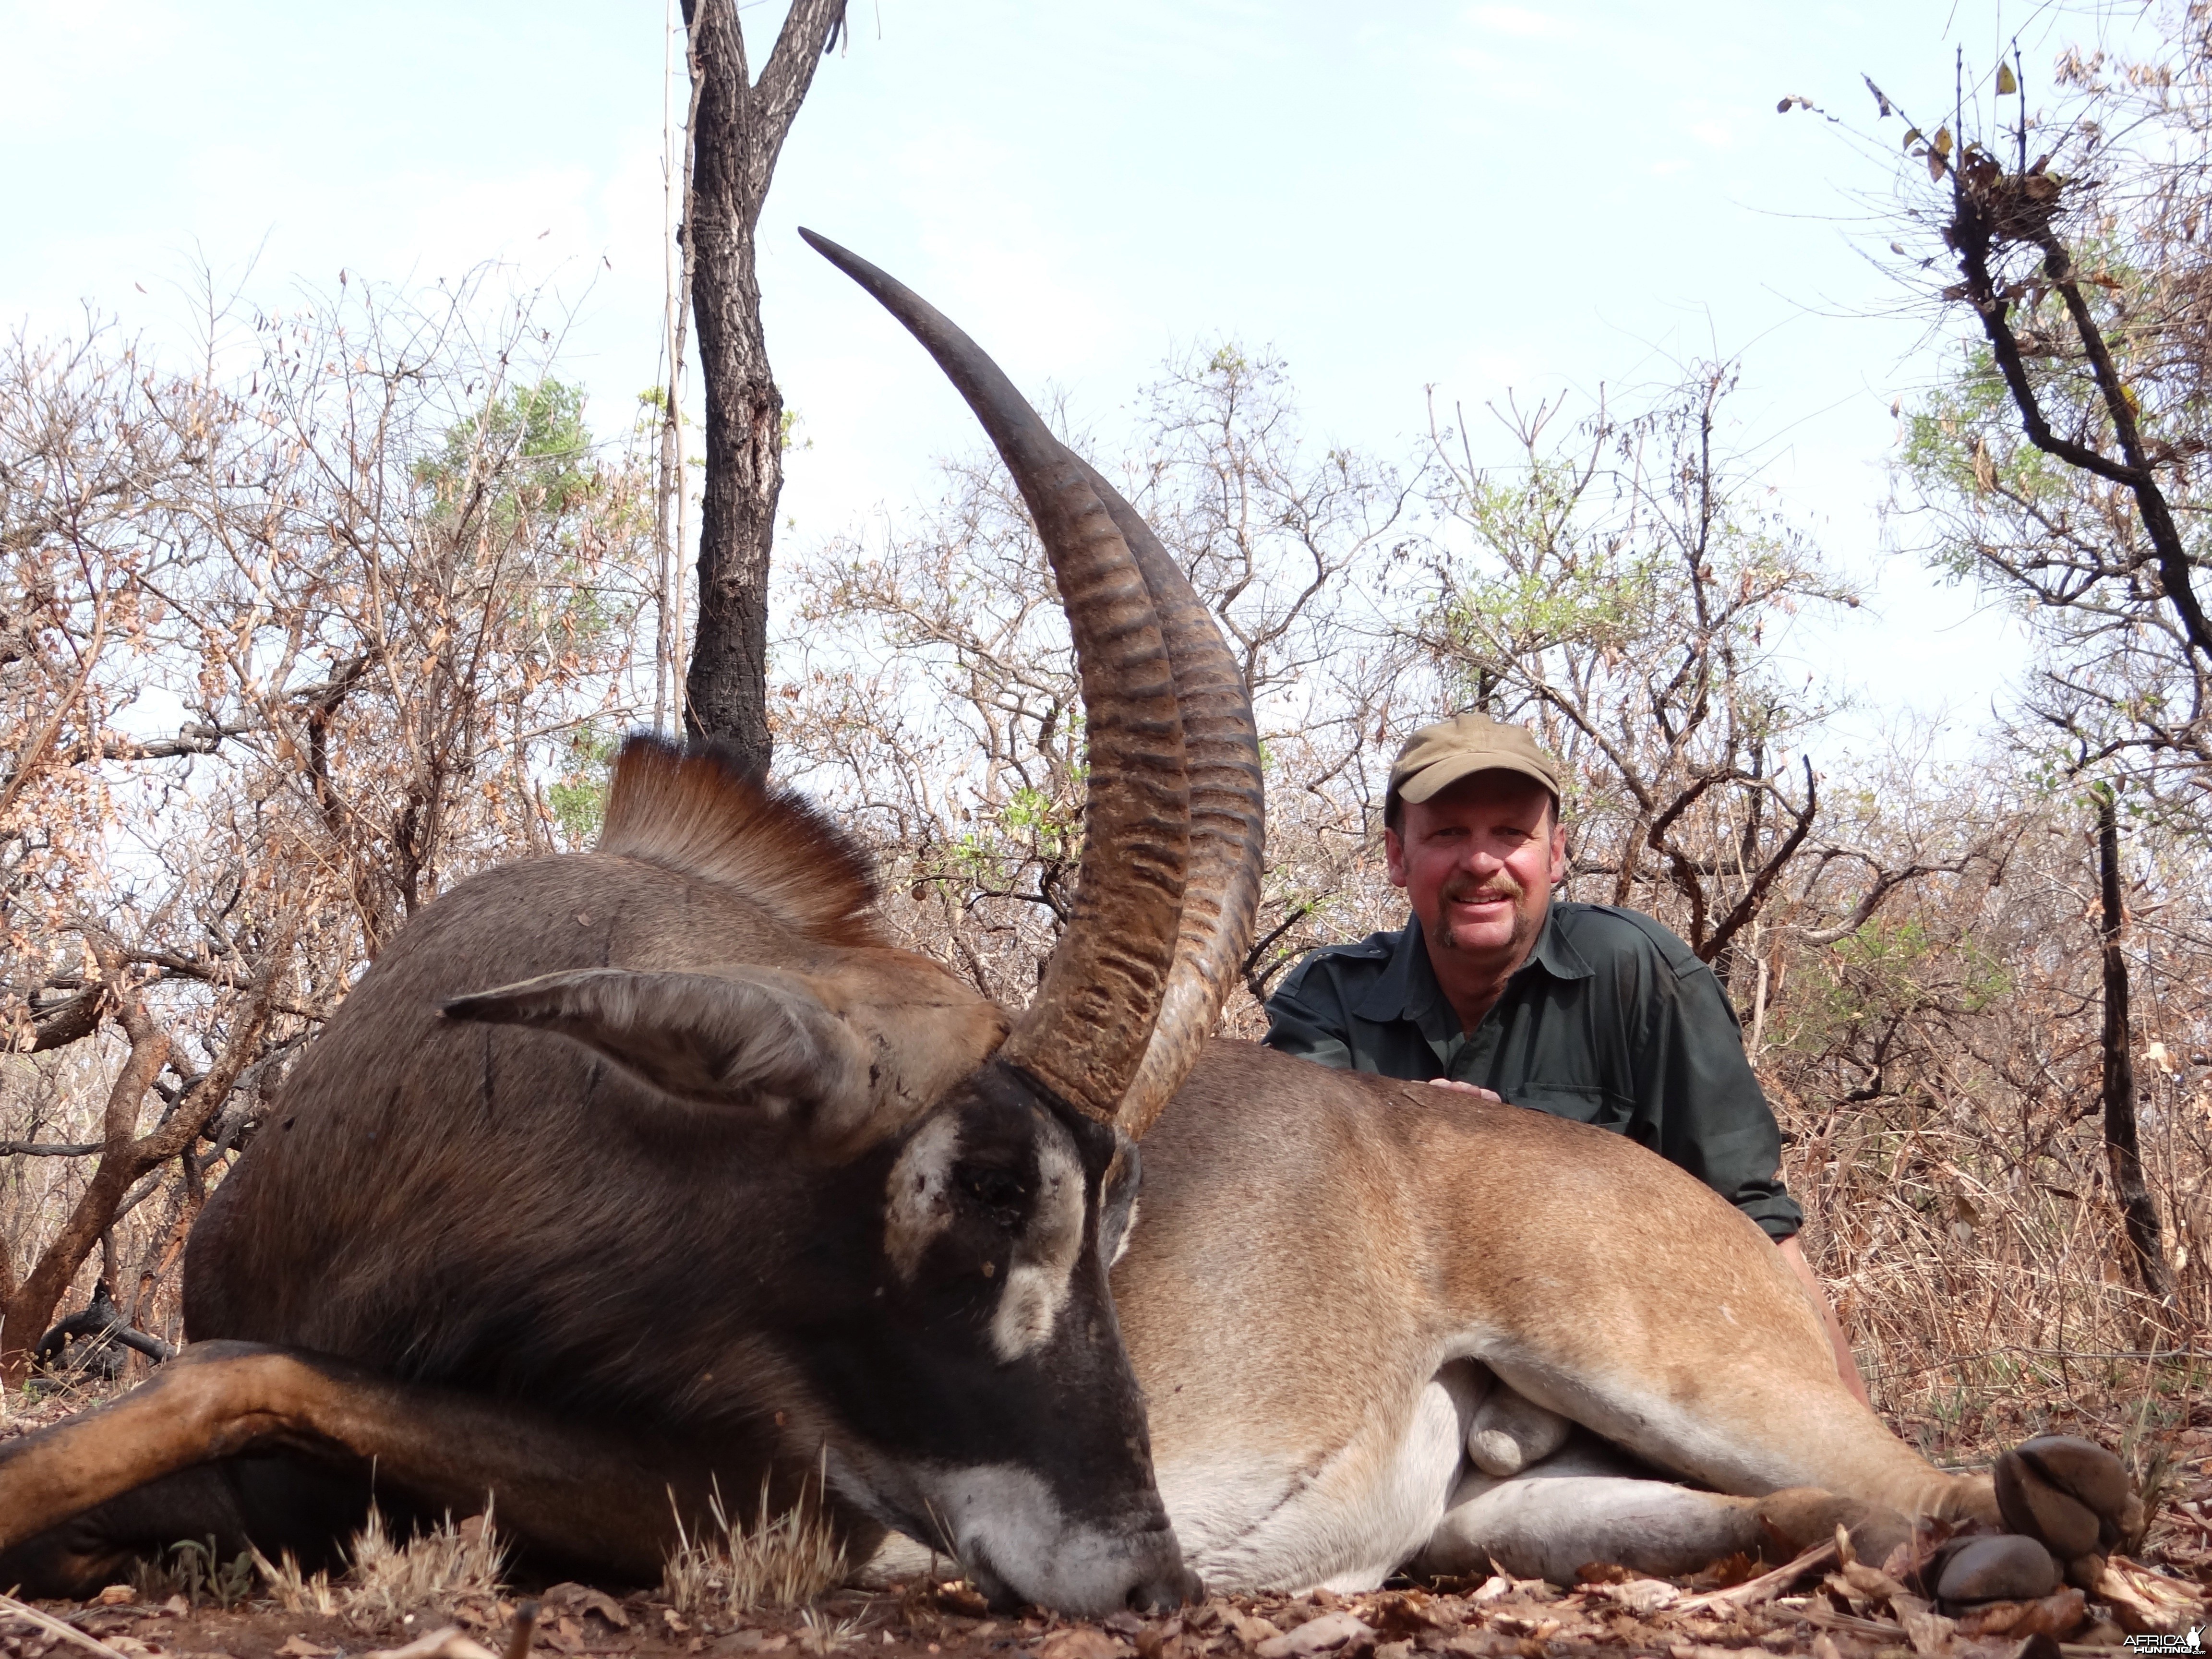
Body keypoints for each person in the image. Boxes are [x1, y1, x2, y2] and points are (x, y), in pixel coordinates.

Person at [1263, 711, 1869, 1405]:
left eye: (1511, 834)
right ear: (1398, 858)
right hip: (1397, 1371)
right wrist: (1420, 1146)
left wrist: (1866, 1448)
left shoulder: (1641, 974)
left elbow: (1758, 1226)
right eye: (1449, 833)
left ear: (1555, 855)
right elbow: (1294, 1226)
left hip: (1618, 1357)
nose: (1482, 862)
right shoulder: (1329, 997)